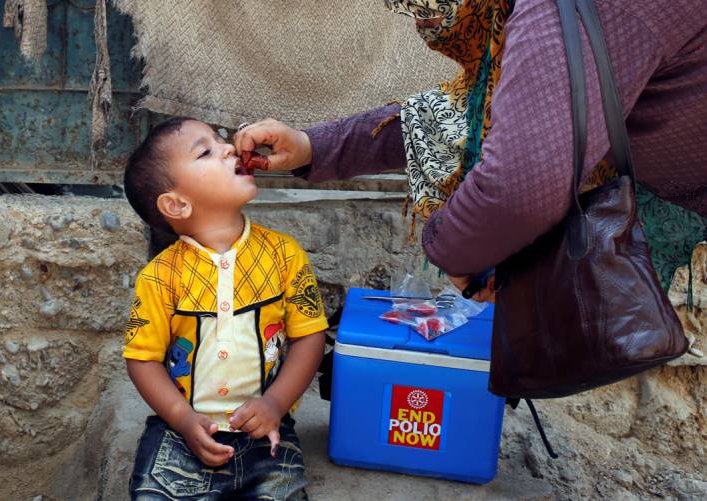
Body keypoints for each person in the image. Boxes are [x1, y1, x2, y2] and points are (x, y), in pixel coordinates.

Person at [233, 0, 706, 302]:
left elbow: (521, 185)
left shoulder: (570, 11)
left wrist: (456, 252)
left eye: (437, 12)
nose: (429, 26)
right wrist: (314, 146)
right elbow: (465, 114)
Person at [122, 116, 328, 500]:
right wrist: (182, 419)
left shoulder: (285, 256)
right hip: (181, 433)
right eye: (206, 151)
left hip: (267, 430)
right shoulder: (159, 277)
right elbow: (141, 359)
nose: (229, 147)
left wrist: (275, 403)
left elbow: (309, 337)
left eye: (221, 141)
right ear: (177, 204)